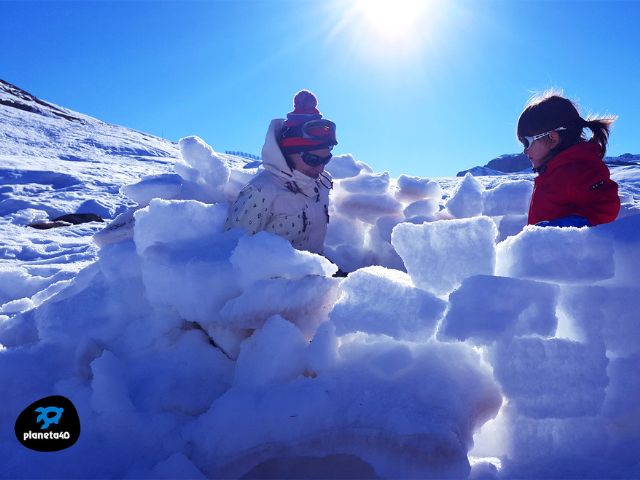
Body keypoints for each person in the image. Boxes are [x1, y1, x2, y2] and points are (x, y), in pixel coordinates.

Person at [225, 90, 336, 254]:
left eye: (326, 160)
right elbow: (231, 248)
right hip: (277, 279)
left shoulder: (322, 182)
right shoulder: (261, 191)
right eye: (312, 160)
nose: (320, 168)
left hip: (317, 271)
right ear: (288, 152)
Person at [517, 92, 620, 227]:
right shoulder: (552, 172)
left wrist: (572, 224)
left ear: (552, 138)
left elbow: (607, 204)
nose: (525, 150)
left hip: (565, 246)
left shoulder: (578, 170)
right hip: (545, 246)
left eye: (527, 142)